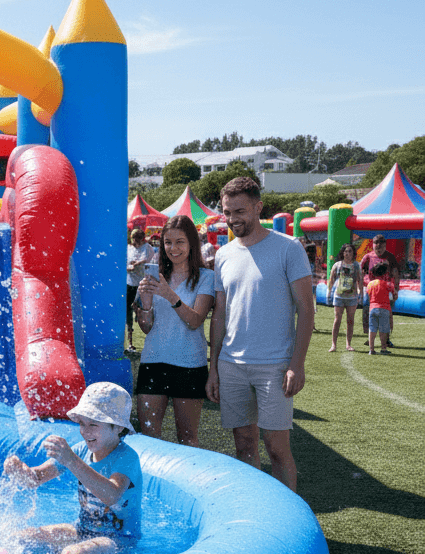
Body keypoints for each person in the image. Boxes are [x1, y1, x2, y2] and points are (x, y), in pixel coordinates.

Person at [206, 177, 315, 492]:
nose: (233, 219)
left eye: (239, 211)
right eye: (227, 212)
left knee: (277, 448)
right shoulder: (223, 255)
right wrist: (214, 367)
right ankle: (249, 512)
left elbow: (306, 309)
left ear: (258, 207)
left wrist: (297, 363)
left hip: (275, 366)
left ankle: (290, 523)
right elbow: (220, 314)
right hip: (231, 364)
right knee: (243, 445)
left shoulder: (288, 248)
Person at [3, 382, 142, 554]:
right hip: (81, 529)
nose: (85, 431)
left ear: (119, 427)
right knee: (20, 538)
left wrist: (71, 460)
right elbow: (35, 479)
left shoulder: (126, 457)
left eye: (93, 425)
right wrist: (19, 471)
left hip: (119, 539)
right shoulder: (80, 450)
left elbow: (112, 494)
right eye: (82, 423)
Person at [134, 216, 214, 446]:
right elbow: (146, 328)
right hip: (153, 361)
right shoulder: (154, 276)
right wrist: (146, 303)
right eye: (168, 242)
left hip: (189, 366)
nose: (173, 248)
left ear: (192, 244)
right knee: (148, 437)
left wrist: (169, 295)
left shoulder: (206, 277)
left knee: (187, 439)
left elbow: (195, 321)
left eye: (180, 242)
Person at [359, 234, 400, 346]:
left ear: (385, 245)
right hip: (371, 291)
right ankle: (369, 338)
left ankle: (386, 339)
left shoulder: (390, 257)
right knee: (368, 314)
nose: (378, 247)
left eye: (381, 244)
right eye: (376, 244)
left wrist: (396, 289)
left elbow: (396, 273)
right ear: (373, 245)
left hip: (387, 291)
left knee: (387, 315)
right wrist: (361, 286)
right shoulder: (367, 257)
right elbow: (360, 272)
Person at [327, 242, 363, 352]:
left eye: (350, 251)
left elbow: (359, 280)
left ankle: (348, 344)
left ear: (353, 253)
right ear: (342, 253)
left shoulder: (356, 265)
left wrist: (360, 294)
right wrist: (329, 292)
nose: (347, 253)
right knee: (337, 319)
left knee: (350, 320)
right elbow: (331, 279)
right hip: (339, 296)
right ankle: (334, 344)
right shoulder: (337, 265)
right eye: (345, 251)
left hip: (352, 297)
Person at [125, 227, 154, 352]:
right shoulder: (129, 248)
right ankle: (130, 342)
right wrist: (128, 266)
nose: (134, 241)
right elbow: (124, 261)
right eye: (132, 239)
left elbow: (145, 259)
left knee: (145, 313)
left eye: (136, 239)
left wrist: (135, 264)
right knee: (128, 314)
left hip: (142, 285)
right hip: (129, 283)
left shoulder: (147, 247)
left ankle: (151, 343)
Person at [365, 261, 397, 355]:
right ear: (385, 273)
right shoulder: (388, 284)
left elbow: (368, 295)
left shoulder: (370, 284)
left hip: (373, 308)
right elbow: (394, 295)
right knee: (383, 330)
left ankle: (371, 349)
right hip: (384, 308)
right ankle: (383, 349)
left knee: (372, 329)